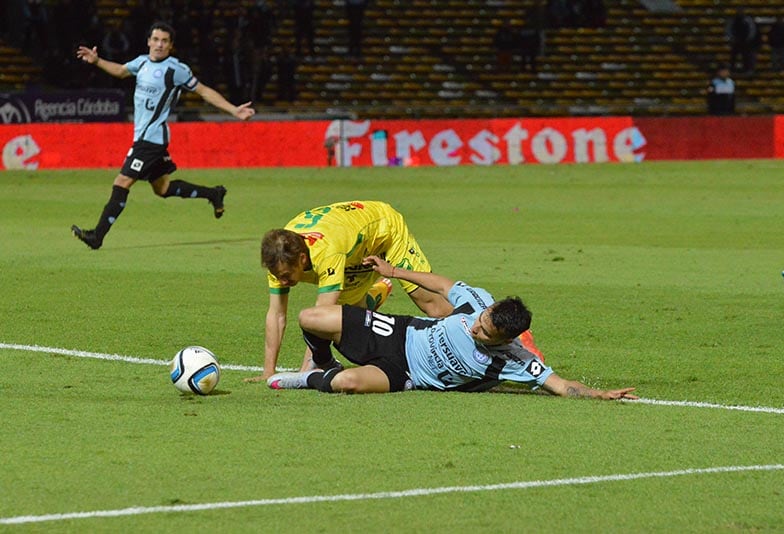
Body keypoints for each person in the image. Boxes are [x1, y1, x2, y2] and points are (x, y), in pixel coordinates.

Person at [268, 255, 637, 400]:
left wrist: (598, 394)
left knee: (345, 383)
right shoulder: (479, 302)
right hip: (400, 332)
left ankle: (308, 379)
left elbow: (561, 385)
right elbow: (444, 284)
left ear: (507, 340)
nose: (476, 327)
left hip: (404, 371)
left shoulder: (514, 360)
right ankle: (318, 361)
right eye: (481, 321)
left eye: (485, 333)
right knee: (310, 318)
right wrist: (394, 272)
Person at [71, 21, 255, 250]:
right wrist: (97, 61)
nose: (159, 44)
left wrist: (234, 109)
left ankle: (97, 236)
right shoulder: (141, 62)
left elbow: (203, 90)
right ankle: (214, 194)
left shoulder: (175, 69)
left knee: (122, 182)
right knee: (163, 189)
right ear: (148, 41)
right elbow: (120, 71)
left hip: (152, 139)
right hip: (144, 137)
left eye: (164, 41)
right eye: (156, 39)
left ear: (171, 46)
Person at [248, 200, 456, 382]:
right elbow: (276, 314)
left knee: (434, 307)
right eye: (277, 276)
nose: (281, 281)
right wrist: (269, 371)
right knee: (351, 314)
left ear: (302, 259)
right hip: (351, 245)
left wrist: (307, 369)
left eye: (286, 276)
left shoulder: (326, 252)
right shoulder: (279, 258)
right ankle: (373, 296)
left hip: (384, 230)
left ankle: (472, 346)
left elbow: (321, 315)